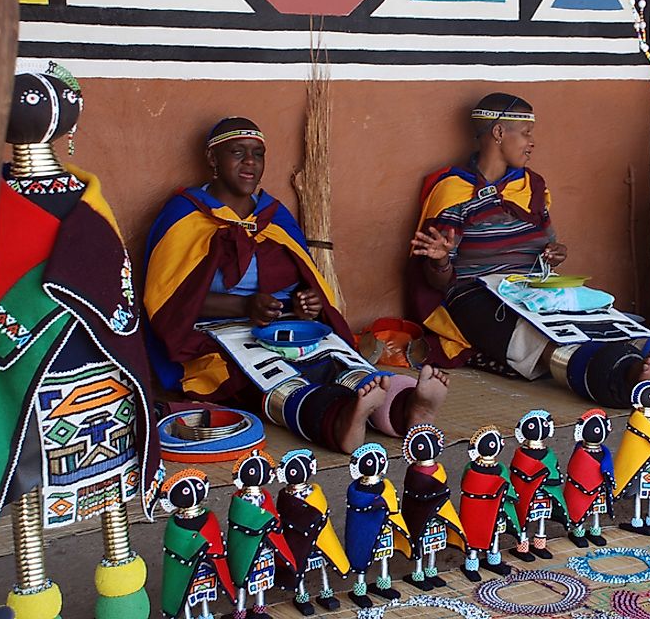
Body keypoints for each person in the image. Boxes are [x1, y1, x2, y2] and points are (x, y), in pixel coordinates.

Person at [406, 93, 650, 407]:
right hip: (479, 291)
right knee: (541, 338)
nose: (531, 142)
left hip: (534, 285)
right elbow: (440, 284)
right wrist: (439, 262)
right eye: (525, 133)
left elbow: (545, 243)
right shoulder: (452, 189)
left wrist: (553, 253)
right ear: (498, 133)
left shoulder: (532, 185)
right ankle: (620, 378)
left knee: (604, 320)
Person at [145, 117, 448, 453]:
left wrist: (306, 304)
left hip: (280, 326)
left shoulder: (273, 216)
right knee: (267, 382)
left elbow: (303, 279)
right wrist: (244, 307)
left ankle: (407, 407)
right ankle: (339, 419)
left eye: (258, 154)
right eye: (237, 152)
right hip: (212, 334)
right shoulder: (184, 215)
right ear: (212, 159)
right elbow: (171, 302)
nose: (250, 163)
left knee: (337, 361)